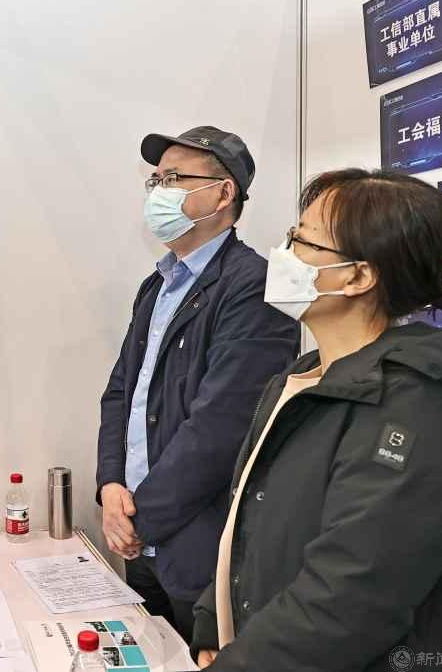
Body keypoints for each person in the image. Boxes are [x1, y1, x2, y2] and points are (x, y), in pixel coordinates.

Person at [192, 169, 442, 670]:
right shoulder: (302, 378)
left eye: (303, 241)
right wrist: (212, 623)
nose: (284, 254)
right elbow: (249, 519)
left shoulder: (418, 404)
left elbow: (349, 597)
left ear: (358, 277)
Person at [95, 126, 300, 642]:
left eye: (173, 179)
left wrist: (140, 518)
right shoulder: (158, 284)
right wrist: (110, 485)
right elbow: (122, 392)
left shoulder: (253, 286)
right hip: (138, 535)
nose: (158, 193)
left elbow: (220, 428)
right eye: (155, 181)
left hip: (195, 545)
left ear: (224, 193)